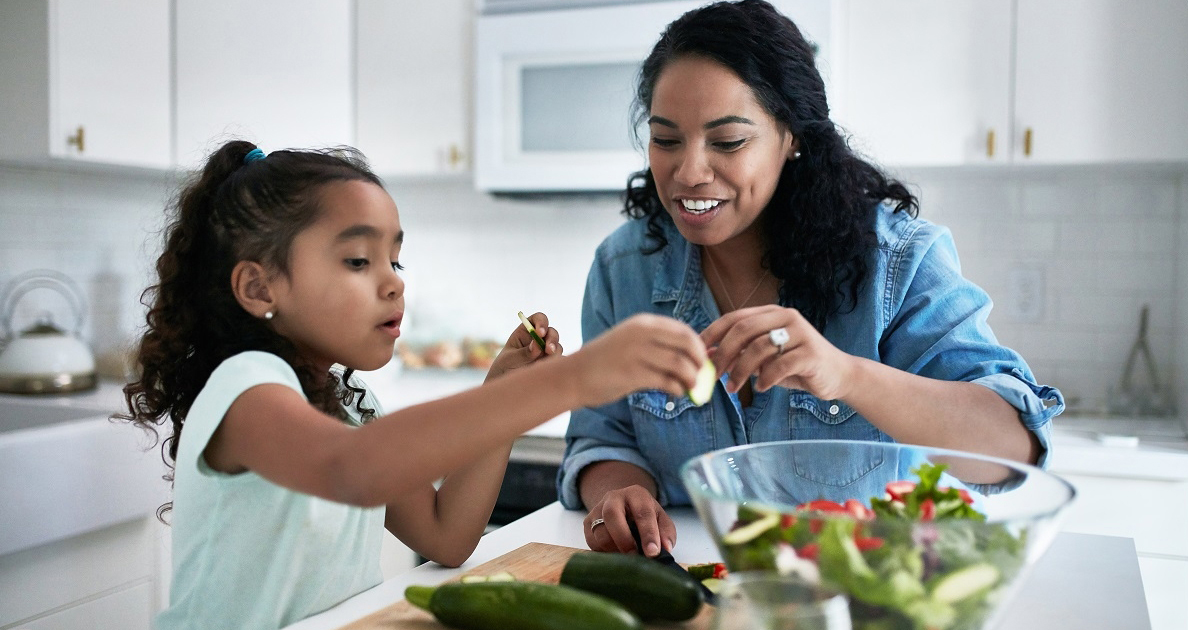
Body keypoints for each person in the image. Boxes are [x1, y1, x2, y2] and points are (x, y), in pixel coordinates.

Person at [119, 140, 709, 630]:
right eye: (358, 261)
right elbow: (350, 469)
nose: (393, 284)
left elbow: (445, 535)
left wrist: (496, 394)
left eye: (395, 262)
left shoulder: (349, 403)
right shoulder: (246, 386)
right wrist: (571, 379)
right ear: (259, 288)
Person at [556, 0, 1064, 559]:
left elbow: (1012, 449)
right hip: (690, 590)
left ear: (792, 136)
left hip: (860, 594)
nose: (689, 172)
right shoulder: (622, 268)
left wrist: (846, 375)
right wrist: (621, 490)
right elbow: (602, 436)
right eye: (666, 139)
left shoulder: (896, 261)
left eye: (727, 142)